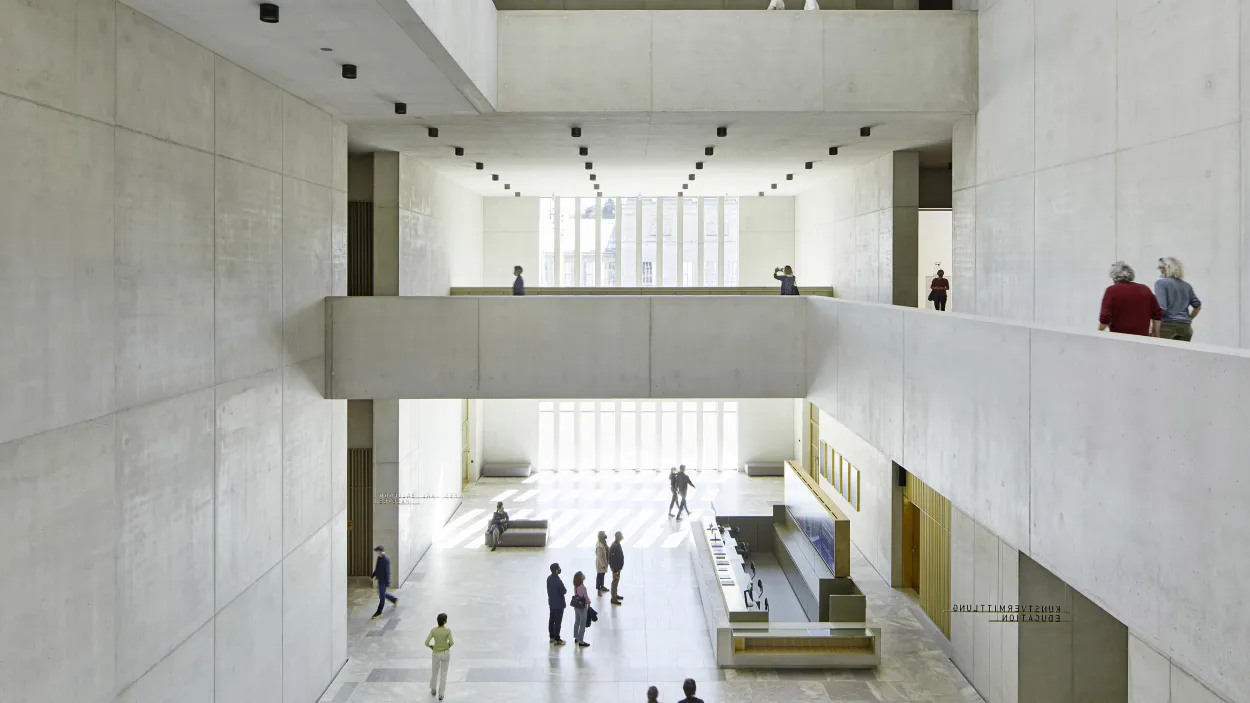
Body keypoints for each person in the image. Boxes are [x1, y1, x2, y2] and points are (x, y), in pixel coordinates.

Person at [1099, 261, 1161, 337]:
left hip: (1120, 338)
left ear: (1114, 276)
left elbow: (1105, 318)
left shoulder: (1111, 291)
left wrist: (1098, 333)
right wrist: (1156, 332)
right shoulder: (1145, 289)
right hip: (1142, 338)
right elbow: (1157, 313)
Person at [1153, 257, 1202, 342]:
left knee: (1162, 350)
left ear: (1167, 268)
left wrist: (1154, 328)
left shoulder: (1161, 283)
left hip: (1167, 326)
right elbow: (1197, 306)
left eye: (1161, 268)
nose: (1160, 271)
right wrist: (1189, 318)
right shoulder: (1187, 286)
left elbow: (1162, 308)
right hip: (1186, 327)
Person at [424, 612, 454, 700]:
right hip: (445, 653)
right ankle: (441, 694)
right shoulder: (448, 631)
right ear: (445, 621)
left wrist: (431, 647)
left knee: (434, 672)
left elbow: (426, 642)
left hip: (436, 653)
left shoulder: (434, 630)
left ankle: (433, 689)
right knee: (443, 674)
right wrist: (447, 646)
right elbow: (451, 642)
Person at [371, 545, 398, 618]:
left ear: (381, 552)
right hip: (380, 580)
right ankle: (393, 599)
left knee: (382, 597)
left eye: (378, 551)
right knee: (381, 594)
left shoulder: (386, 560)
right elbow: (377, 569)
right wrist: (372, 575)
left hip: (383, 581)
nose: (377, 553)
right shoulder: (379, 558)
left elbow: (387, 572)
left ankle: (379, 612)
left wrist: (388, 582)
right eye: (377, 552)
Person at [547, 563, 567, 645]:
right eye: (558, 568)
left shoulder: (549, 578)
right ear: (556, 570)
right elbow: (564, 591)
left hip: (552, 603)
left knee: (551, 620)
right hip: (559, 604)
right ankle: (557, 639)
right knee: (558, 622)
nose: (559, 569)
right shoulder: (558, 581)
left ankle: (551, 636)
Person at [571, 571, 591, 647]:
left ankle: (576, 637)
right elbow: (585, 597)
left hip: (576, 606)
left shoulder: (576, 586)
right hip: (582, 607)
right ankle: (581, 641)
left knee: (577, 621)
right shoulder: (583, 587)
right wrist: (589, 602)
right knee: (582, 623)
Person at [609, 531, 625, 605]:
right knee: (615, 582)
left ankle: (615, 595)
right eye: (621, 535)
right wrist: (614, 569)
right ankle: (613, 598)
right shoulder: (614, 546)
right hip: (615, 568)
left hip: (618, 567)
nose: (622, 536)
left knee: (616, 581)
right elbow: (611, 559)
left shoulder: (617, 544)